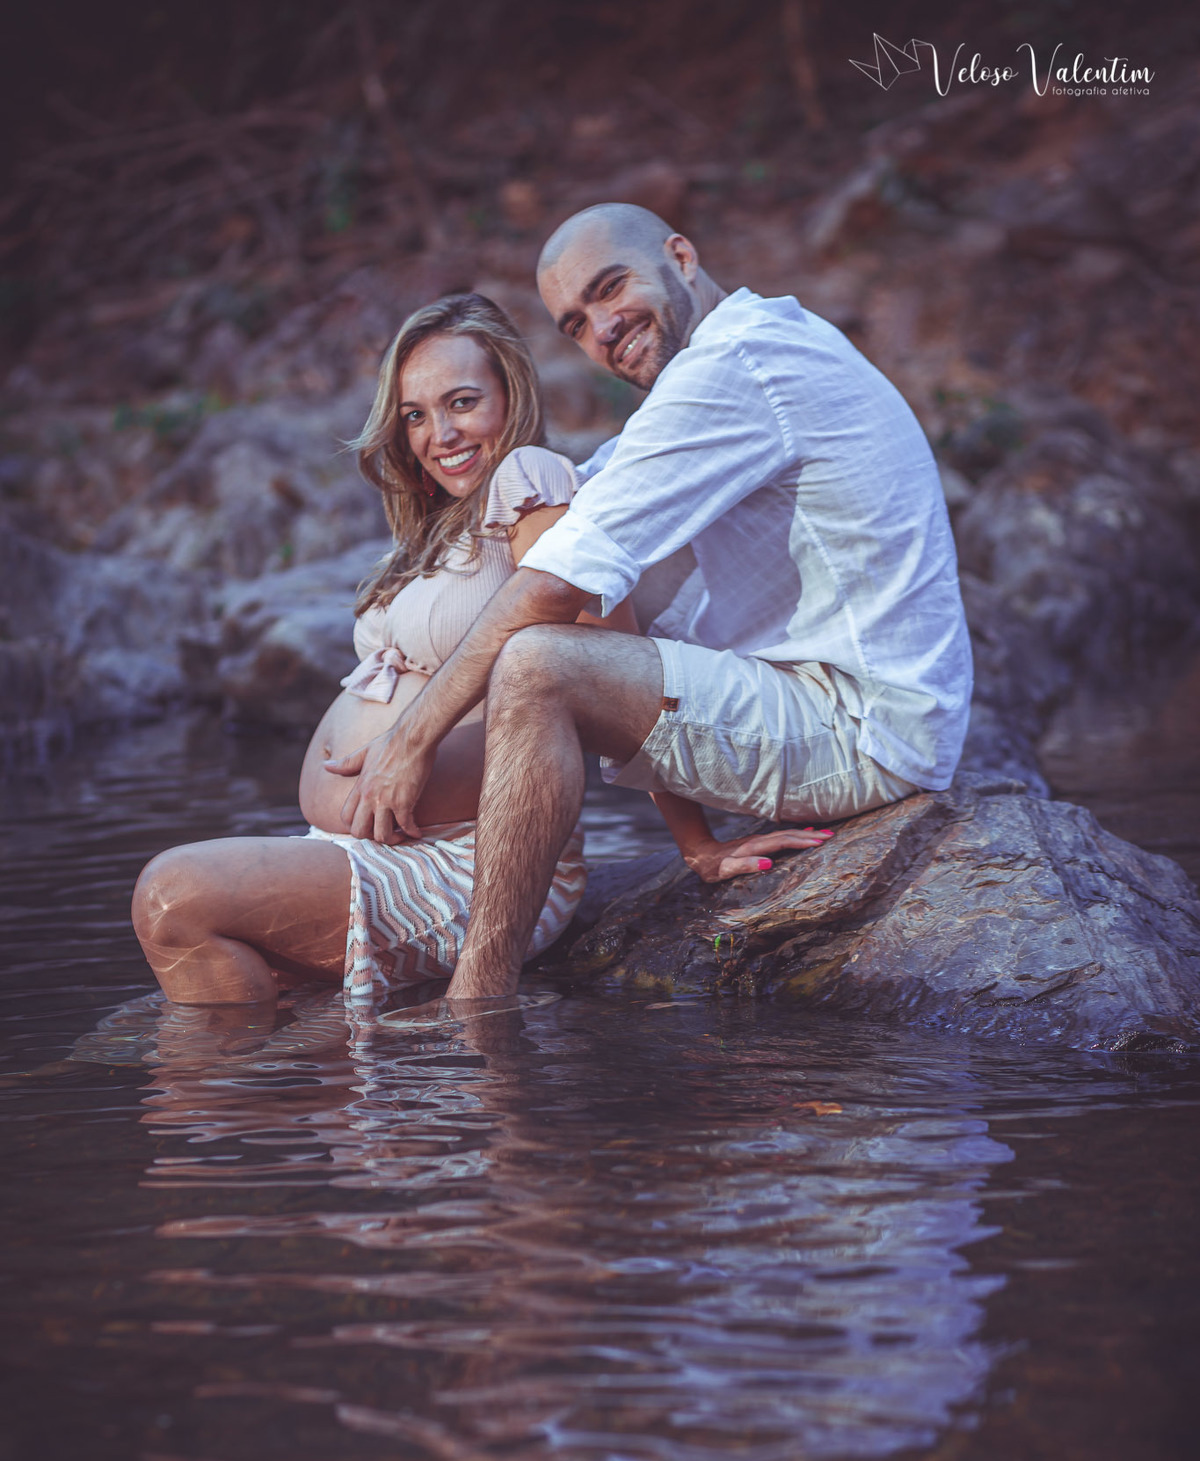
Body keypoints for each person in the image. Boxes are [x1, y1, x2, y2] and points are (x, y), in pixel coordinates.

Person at [325, 204, 973, 1004]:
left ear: (682, 257)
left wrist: (411, 738)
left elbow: (557, 580)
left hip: (865, 728)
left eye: (611, 288)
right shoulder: (743, 354)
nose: (602, 329)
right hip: (831, 699)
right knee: (594, 570)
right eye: (575, 323)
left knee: (538, 663)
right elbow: (591, 515)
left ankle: (477, 1004)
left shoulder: (740, 364)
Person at [132, 293, 604, 1005]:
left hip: (478, 862)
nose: (439, 433)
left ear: (512, 395)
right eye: (415, 415)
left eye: (462, 402)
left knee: (171, 895)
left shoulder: (528, 476)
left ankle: (242, 1075)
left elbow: (601, 658)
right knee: (225, 983)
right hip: (371, 847)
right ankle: (256, 1076)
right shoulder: (439, 525)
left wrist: (691, 838)